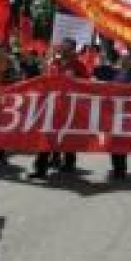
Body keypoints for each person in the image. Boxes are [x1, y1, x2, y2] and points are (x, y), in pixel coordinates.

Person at [29, 38, 89, 179]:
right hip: (52, 106)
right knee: (47, 137)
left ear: (73, 50)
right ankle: (40, 168)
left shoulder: (79, 65)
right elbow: (44, 79)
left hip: (70, 107)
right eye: (62, 47)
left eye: (67, 48)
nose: (63, 50)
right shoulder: (53, 63)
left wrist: (75, 81)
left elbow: (87, 83)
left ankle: (69, 163)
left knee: (68, 136)